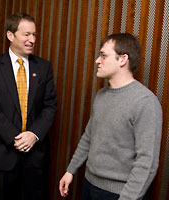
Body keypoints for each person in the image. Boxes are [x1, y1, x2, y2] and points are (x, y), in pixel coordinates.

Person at [59, 33, 162, 200]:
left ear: (122, 59)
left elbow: (147, 163)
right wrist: (70, 170)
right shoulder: (101, 95)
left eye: (103, 56)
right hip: (89, 184)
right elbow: (89, 137)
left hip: (118, 194)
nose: (97, 61)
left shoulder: (145, 102)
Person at [0, 13, 57, 200]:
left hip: (36, 153)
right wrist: (15, 137)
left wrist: (33, 135)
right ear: (10, 35)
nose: (32, 40)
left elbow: (50, 106)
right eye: (26, 35)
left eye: (34, 35)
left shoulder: (44, 67)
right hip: (4, 152)